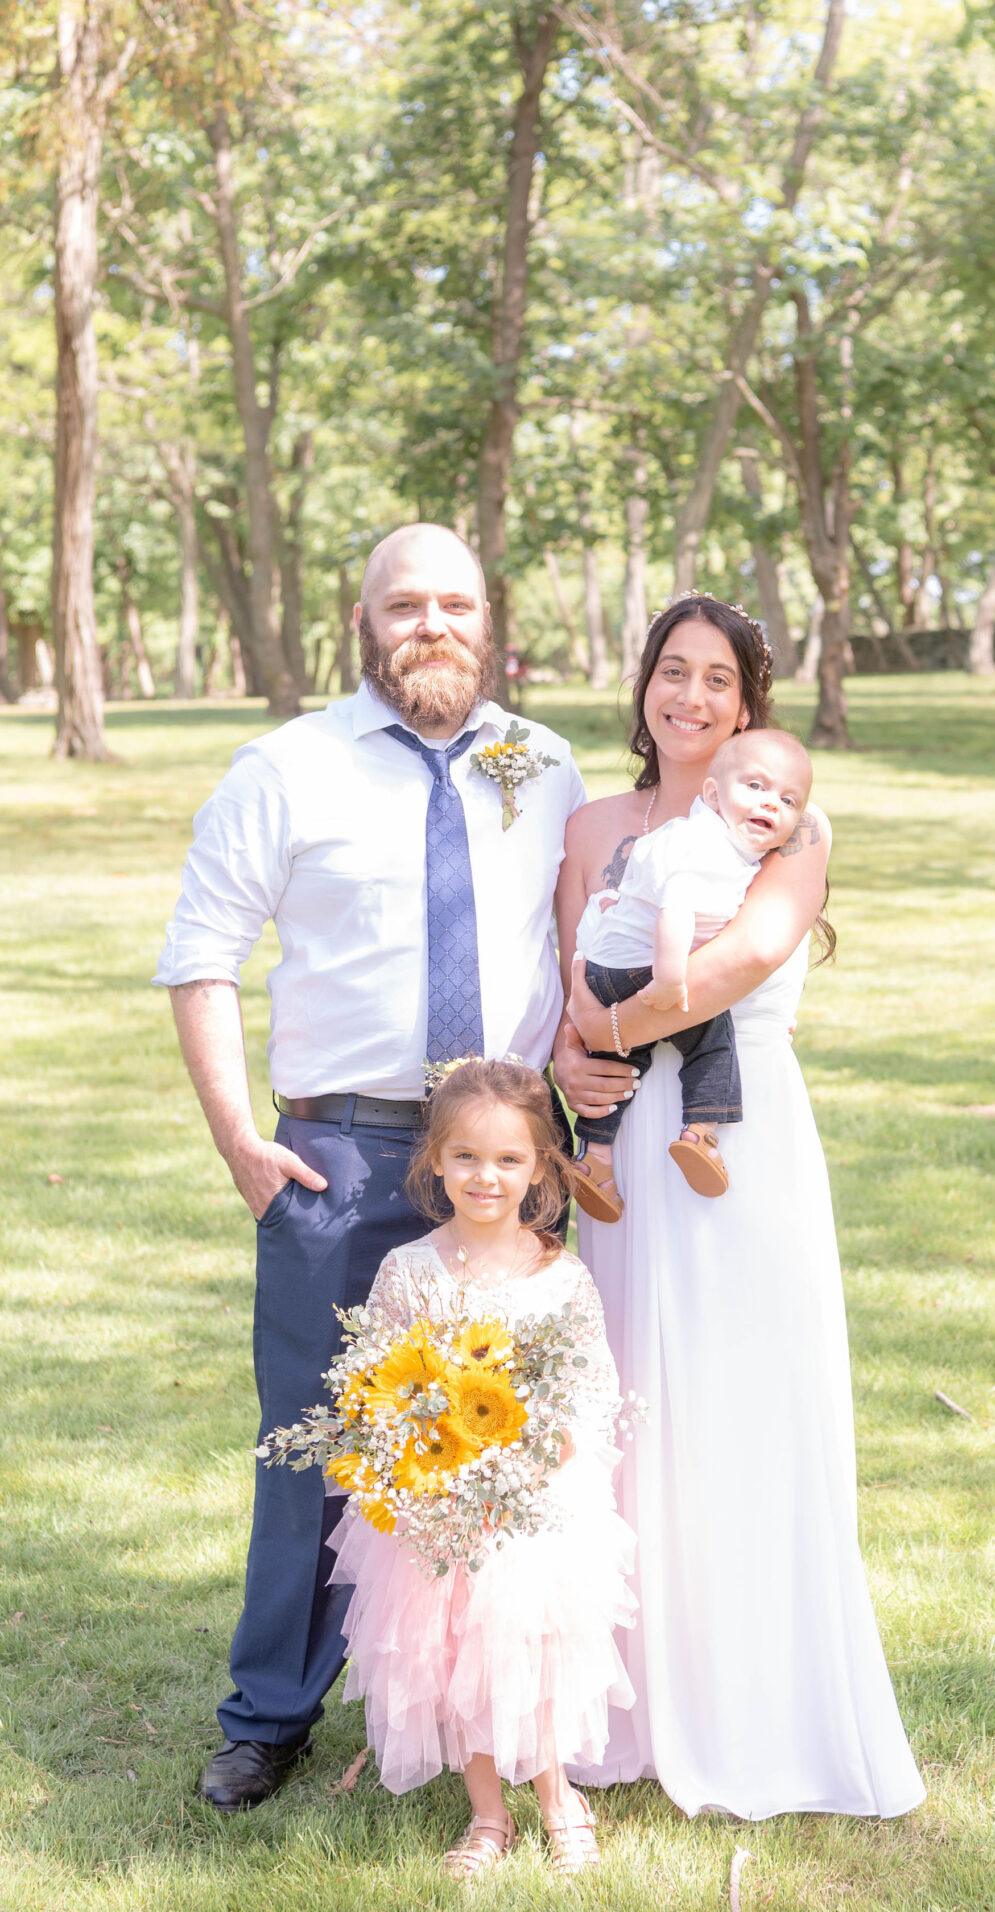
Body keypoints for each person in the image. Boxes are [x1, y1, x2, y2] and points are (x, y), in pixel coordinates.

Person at [154, 524, 595, 1813]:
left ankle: (496, 1704)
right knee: (320, 1437)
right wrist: (241, 1139)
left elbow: (589, 940)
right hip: (337, 1148)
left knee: (514, 1437)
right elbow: (201, 954)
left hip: (507, 1155)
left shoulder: (543, 763)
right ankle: (271, 1713)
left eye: (455, 602)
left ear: (489, 615)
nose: (433, 625)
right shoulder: (286, 767)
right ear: (364, 618)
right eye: (406, 604)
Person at [554, 593, 924, 1820]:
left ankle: (760, 1708)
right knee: (624, 1415)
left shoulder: (791, 827)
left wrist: (603, 1025)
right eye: (673, 670)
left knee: (740, 1403)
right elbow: (572, 971)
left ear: (748, 705)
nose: (692, 697)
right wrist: (571, 1054)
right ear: (644, 685)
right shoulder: (594, 822)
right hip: (617, 1148)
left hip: (735, 1141)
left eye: (718, 679)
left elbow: (739, 962)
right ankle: (621, 1713)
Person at [331, 1061, 635, 1880]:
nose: (485, 1177)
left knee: (527, 1647)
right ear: (433, 1160)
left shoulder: (559, 1277)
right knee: (446, 1648)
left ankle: (557, 1797)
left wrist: (541, 1457)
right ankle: (487, 1814)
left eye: (507, 1160)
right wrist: (422, 1462)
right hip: (438, 1503)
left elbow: (587, 1389)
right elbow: (379, 1385)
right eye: (464, 1157)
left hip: (534, 1502)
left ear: (540, 1166)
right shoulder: (409, 1271)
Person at [569, 728, 815, 1223]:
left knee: (622, 1062)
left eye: (788, 799)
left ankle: (594, 1158)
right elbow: (677, 907)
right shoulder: (706, 845)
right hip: (644, 969)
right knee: (712, 1036)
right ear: (712, 794)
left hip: (607, 970)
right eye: (756, 787)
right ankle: (701, 1130)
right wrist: (668, 979)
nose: (772, 804)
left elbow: (763, 946)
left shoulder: (763, 836)